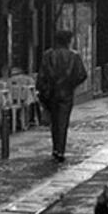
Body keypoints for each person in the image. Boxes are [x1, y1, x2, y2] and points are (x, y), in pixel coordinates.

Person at [36, 30, 87, 162]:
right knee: (62, 122)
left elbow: (41, 75)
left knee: (54, 121)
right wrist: (71, 84)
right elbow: (82, 75)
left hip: (51, 93)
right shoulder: (74, 56)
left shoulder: (48, 55)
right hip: (66, 93)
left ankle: (55, 148)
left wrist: (43, 89)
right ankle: (60, 149)